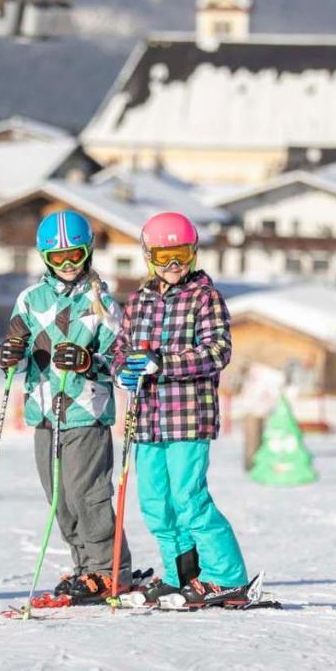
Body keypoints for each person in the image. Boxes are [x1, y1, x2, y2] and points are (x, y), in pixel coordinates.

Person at [113, 211, 252, 608]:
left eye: (181, 256)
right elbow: (121, 349)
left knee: (189, 498)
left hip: (188, 416)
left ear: (193, 254)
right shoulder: (138, 301)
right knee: (156, 504)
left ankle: (227, 577)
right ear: (148, 257)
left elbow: (217, 351)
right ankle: (181, 577)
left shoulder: (204, 298)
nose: (173, 266)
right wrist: (124, 369)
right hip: (146, 418)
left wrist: (163, 363)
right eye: (163, 257)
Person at [0, 209, 131, 603]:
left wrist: (89, 362)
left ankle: (109, 570)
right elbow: (21, 356)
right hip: (44, 411)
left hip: (86, 411)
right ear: (44, 258)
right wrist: (9, 356)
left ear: (88, 253)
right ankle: (85, 567)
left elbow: (120, 364)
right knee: (60, 497)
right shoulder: (30, 300)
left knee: (87, 494)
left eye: (75, 255)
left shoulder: (101, 302)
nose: (68, 264)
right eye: (58, 258)